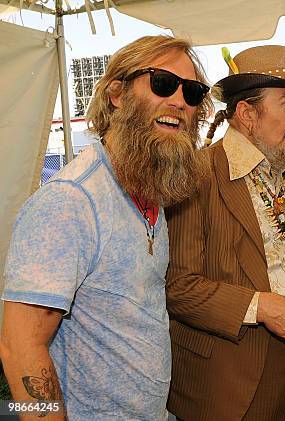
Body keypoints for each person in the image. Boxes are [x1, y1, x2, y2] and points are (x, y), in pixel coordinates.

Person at [0, 35, 212, 420]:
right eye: (163, 83)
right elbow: (18, 347)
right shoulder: (70, 202)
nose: (180, 101)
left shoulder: (149, 189)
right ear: (116, 93)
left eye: (193, 91)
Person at [165, 44, 285, 421]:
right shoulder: (197, 176)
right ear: (247, 113)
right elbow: (177, 286)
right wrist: (260, 307)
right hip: (229, 377)